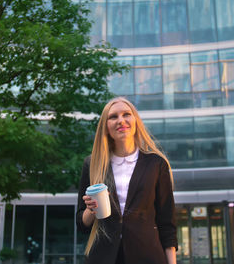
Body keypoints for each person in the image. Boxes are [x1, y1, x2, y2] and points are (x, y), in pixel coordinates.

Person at [76, 97, 177, 264]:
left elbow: (167, 222)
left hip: (148, 256)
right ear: (106, 127)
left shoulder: (156, 164)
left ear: (135, 121)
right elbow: (82, 224)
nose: (121, 120)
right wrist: (90, 210)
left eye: (126, 114)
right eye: (113, 117)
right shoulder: (92, 164)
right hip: (103, 256)